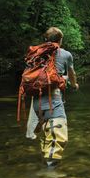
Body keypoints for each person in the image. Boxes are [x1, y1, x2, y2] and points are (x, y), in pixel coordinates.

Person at [33, 27, 79, 167]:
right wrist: (74, 84)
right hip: (53, 102)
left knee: (46, 139)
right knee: (58, 139)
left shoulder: (35, 53)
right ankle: (49, 177)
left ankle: (41, 173)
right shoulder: (65, 54)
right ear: (60, 40)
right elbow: (71, 74)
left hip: (36, 102)